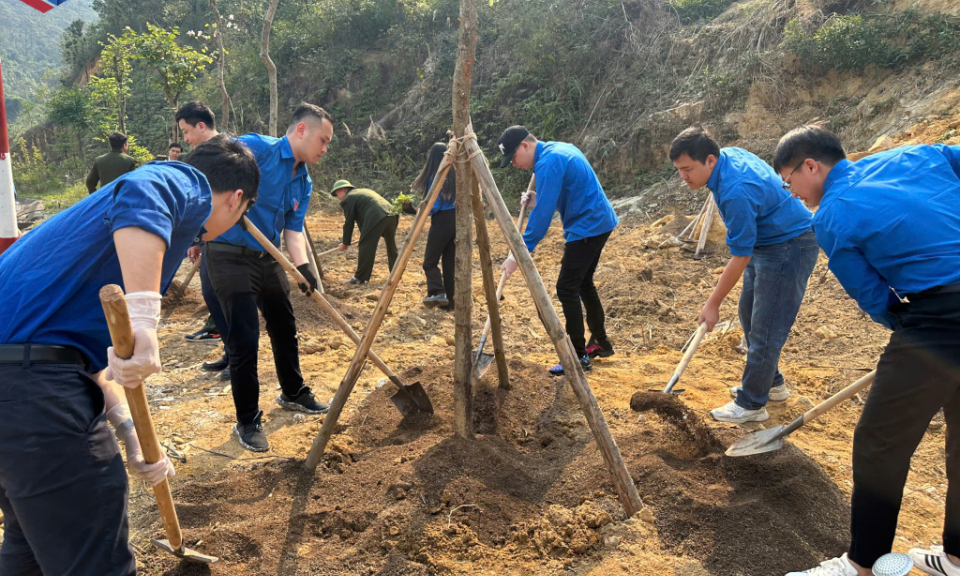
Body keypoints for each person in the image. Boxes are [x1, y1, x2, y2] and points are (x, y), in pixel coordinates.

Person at [0, 137, 258, 575]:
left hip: (21, 390)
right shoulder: (181, 180)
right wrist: (144, 317)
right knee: (93, 558)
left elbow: (75, 357)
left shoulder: (86, 238)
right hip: (32, 391)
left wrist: (130, 433)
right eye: (244, 211)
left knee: (32, 542)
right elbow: (144, 193)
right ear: (237, 199)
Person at [773, 125, 960, 576]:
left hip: (940, 316)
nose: (791, 192)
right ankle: (957, 556)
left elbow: (875, 297)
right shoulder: (917, 155)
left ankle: (862, 565)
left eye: (788, 181)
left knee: (880, 442)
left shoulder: (832, 215)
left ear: (811, 166)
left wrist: (915, 331)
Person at [205, 103, 333, 452]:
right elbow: (210, 161)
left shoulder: (302, 182)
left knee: (284, 326)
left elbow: (293, 231)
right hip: (229, 254)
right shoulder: (256, 148)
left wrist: (304, 267)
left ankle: (293, 392)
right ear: (302, 131)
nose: (325, 148)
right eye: (323, 140)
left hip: (269, 257)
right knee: (244, 339)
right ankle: (247, 420)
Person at [669, 126, 817, 424]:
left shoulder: (735, 190)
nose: (683, 177)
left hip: (789, 245)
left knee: (766, 328)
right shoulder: (729, 157)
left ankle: (751, 404)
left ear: (710, 160)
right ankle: (771, 383)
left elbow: (740, 255)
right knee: (749, 314)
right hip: (768, 240)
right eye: (678, 170)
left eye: (687, 169)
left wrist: (712, 304)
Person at [497, 125, 618, 376]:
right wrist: (536, 200)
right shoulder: (558, 149)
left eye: (513, 158)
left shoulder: (548, 162)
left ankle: (576, 356)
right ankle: (600, 342)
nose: (514, 165)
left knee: (566, 287)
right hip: (599, 220)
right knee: (583, 283)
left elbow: (540, 219)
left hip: (588, 226)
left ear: (525, 146)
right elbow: (557, 195)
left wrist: (518, 254)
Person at [176, 102, 231, 381]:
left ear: (201, 126)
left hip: (230, 237)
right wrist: (196, 238)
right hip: (209, 236)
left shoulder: (229, 151)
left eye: (187, 131)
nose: (185, 139)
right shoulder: (200, 156)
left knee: (226, 297)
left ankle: (240, 357)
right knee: (211, 295)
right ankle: (231, 351)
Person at [412, 142, 455, 308]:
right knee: (449, 263)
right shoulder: (455, 176)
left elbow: (434, 204)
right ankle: (450, 303)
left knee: (430, 261)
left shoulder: (437, 177)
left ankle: (437, 292)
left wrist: (423, 212)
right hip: (456, 221)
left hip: (441, 221)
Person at [332, 180, 399, 286]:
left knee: (365, 246)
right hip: (391, 214)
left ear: (343, 190)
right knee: (391, 246)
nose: (338, 197)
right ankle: (396, 273)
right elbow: (362, 218)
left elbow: (349, 222)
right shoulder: (362, 192)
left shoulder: (348, 199)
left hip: (376, 215)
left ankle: (360, 278)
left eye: (337, 194)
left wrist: (345, 243)